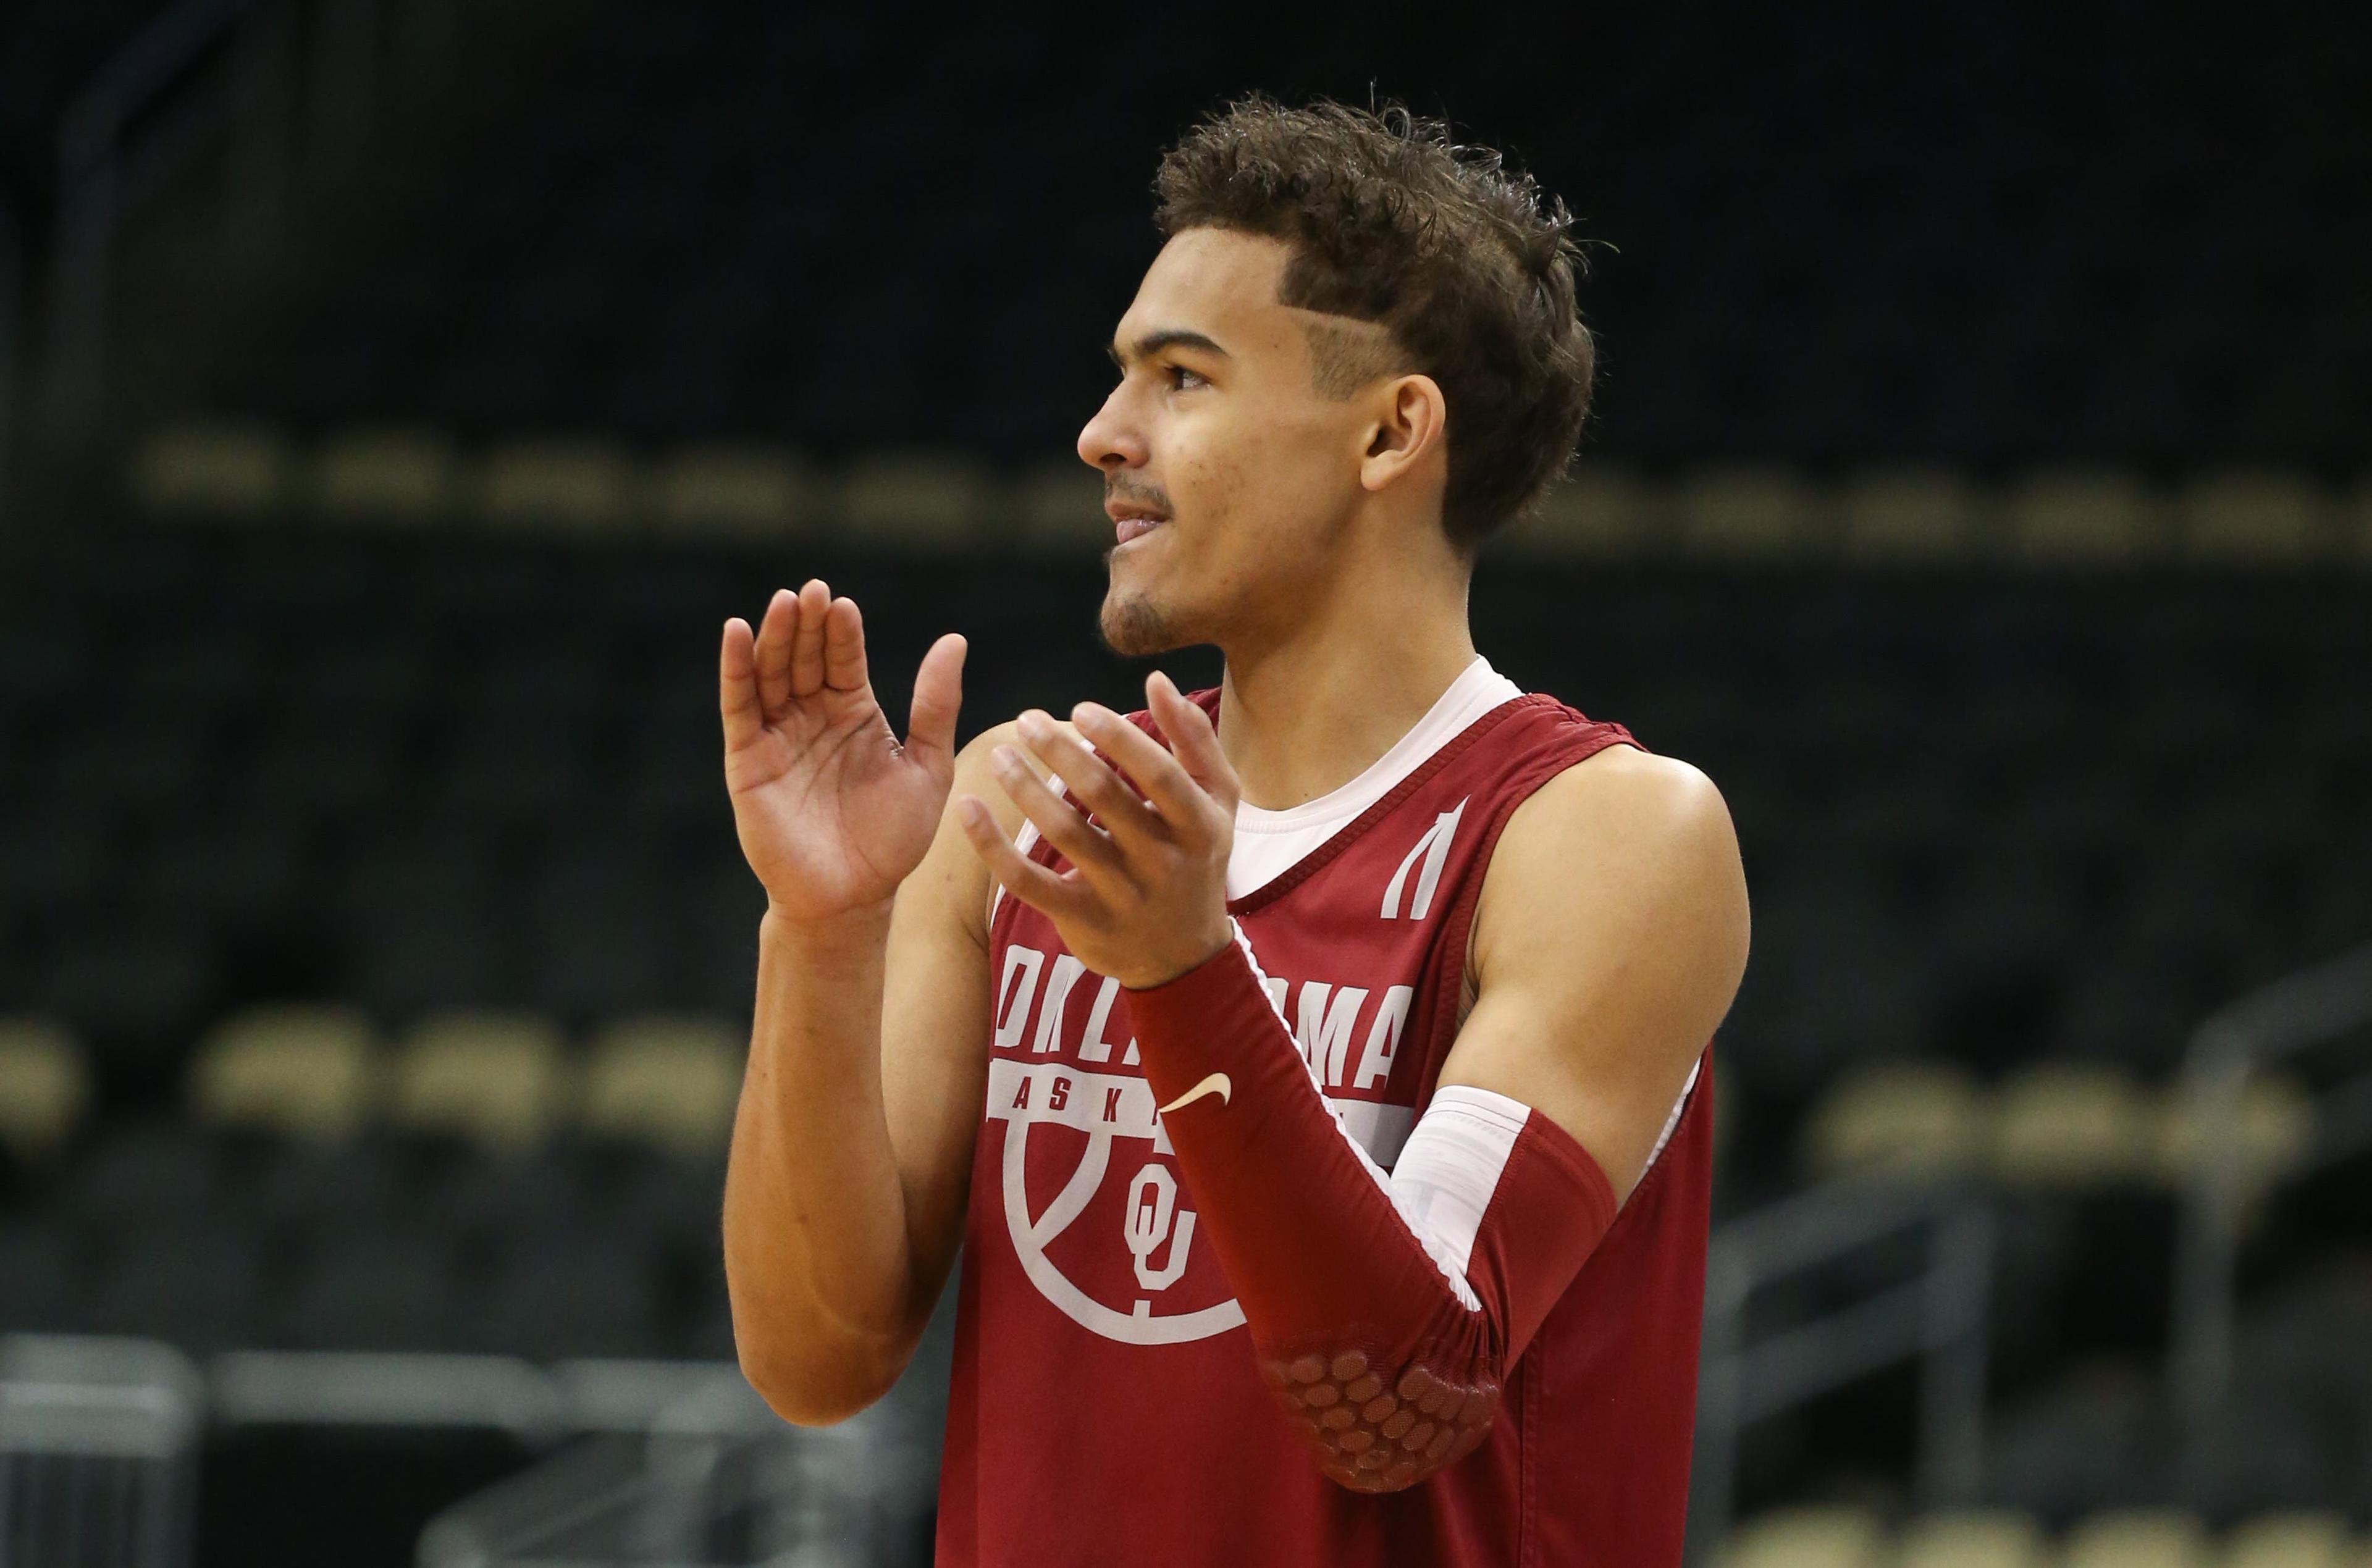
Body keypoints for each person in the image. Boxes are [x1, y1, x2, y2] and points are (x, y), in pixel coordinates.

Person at [718, 96, 1750, 1567]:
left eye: (1182, 378)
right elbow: (816, 1364)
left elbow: (1408, 1392)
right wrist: (821, 929)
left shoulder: (1602, 835)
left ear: (1391, 432)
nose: (1101, 434)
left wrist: (1187, 976)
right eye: (1120, 376)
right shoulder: (1034, 816)